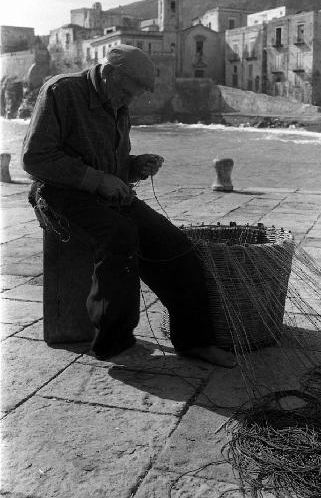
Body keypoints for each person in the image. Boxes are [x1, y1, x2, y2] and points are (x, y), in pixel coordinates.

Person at [22, 44, 235, 368]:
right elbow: (35, 158)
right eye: (128, 91)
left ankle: (195, 340)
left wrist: (135, 166)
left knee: (174, 244)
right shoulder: (61, 91)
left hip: (102, 192)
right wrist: (99, 180)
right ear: (108, 74)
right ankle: (113, 343)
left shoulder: (116, 101)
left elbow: (114, 165)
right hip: (56, 192)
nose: (130, 101)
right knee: (120, 235)